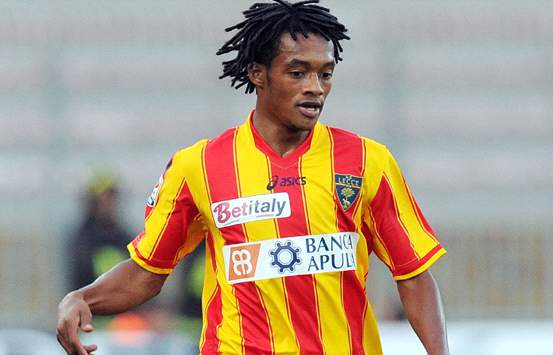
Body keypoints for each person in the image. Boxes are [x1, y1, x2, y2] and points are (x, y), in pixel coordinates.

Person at [57, 1, 449, 354]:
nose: (315, 88)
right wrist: (83, 298)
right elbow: (147, 272)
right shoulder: (200, 165)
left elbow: (413, 275)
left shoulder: (367, 160)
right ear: (258, 74)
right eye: (298, 73)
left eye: (325, 74)